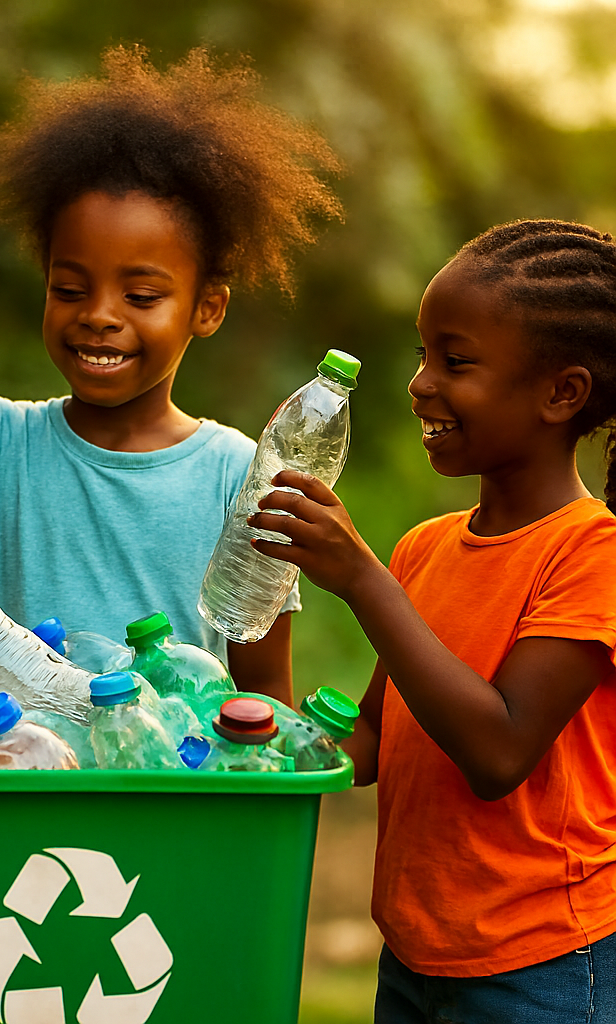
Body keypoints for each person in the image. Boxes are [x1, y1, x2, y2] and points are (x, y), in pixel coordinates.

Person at [0, 46, 342, 702]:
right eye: (71, 287)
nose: (99, 317)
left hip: (165, 795)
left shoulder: (237, 476)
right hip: (16, 786)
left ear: (208, 307)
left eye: (141, 296)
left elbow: (263, 697)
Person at [251, 219, 616, 1021]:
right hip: (417, 954)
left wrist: (362, 581)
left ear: (563, 393)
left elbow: (498, 750)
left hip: (542, 965)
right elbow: (377, 742)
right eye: (423, 355)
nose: (420, 383)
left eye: (456, 361)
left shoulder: (593, 552)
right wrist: (254, 721)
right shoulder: (425, 548)